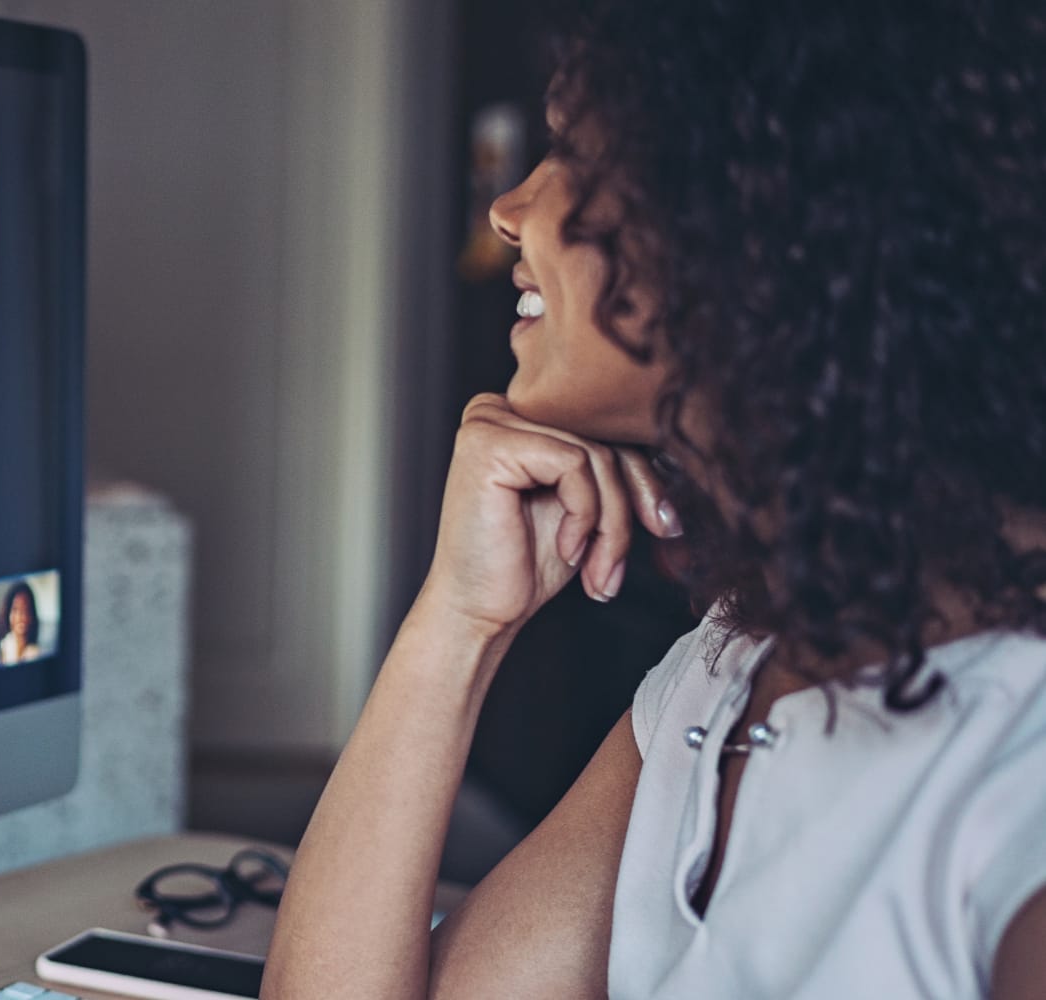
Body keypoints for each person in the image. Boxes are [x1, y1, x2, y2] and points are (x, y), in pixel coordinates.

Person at [261, 3, 1046, 997]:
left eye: (571, 153)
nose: (509, 208)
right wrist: (457, 624)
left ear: (753, 224)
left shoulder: (1019, 767)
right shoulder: (730, 666)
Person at [0, 580, 43, 666]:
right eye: (16, 610)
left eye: (26, 610)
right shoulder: (1, 647)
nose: (21, 617)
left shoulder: (35, 653)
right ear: (8, 613)